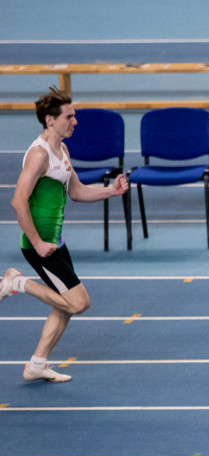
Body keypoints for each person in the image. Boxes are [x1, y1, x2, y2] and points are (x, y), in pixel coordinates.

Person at [0, 88, 129, 382]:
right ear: (50, 120)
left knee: (65, 304)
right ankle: (16, 282)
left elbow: (77, 191)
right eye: (69, 116)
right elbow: (18, 201)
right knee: (78, 302)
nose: (75, 121)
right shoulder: (38, 154)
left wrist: (111, 190)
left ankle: (37, 364)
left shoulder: (62, 151)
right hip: (39, 246)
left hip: (56, 242)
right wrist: (36, 242)